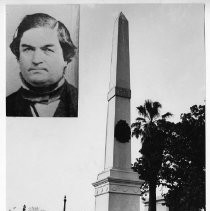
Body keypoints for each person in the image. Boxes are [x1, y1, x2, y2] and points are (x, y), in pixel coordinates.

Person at [6, 13, 78, 117]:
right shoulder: (5, 106)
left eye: (47, 49)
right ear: (18, 58)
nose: (36, 60)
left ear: (65, 58)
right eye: (28, 49)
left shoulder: (84, 102)